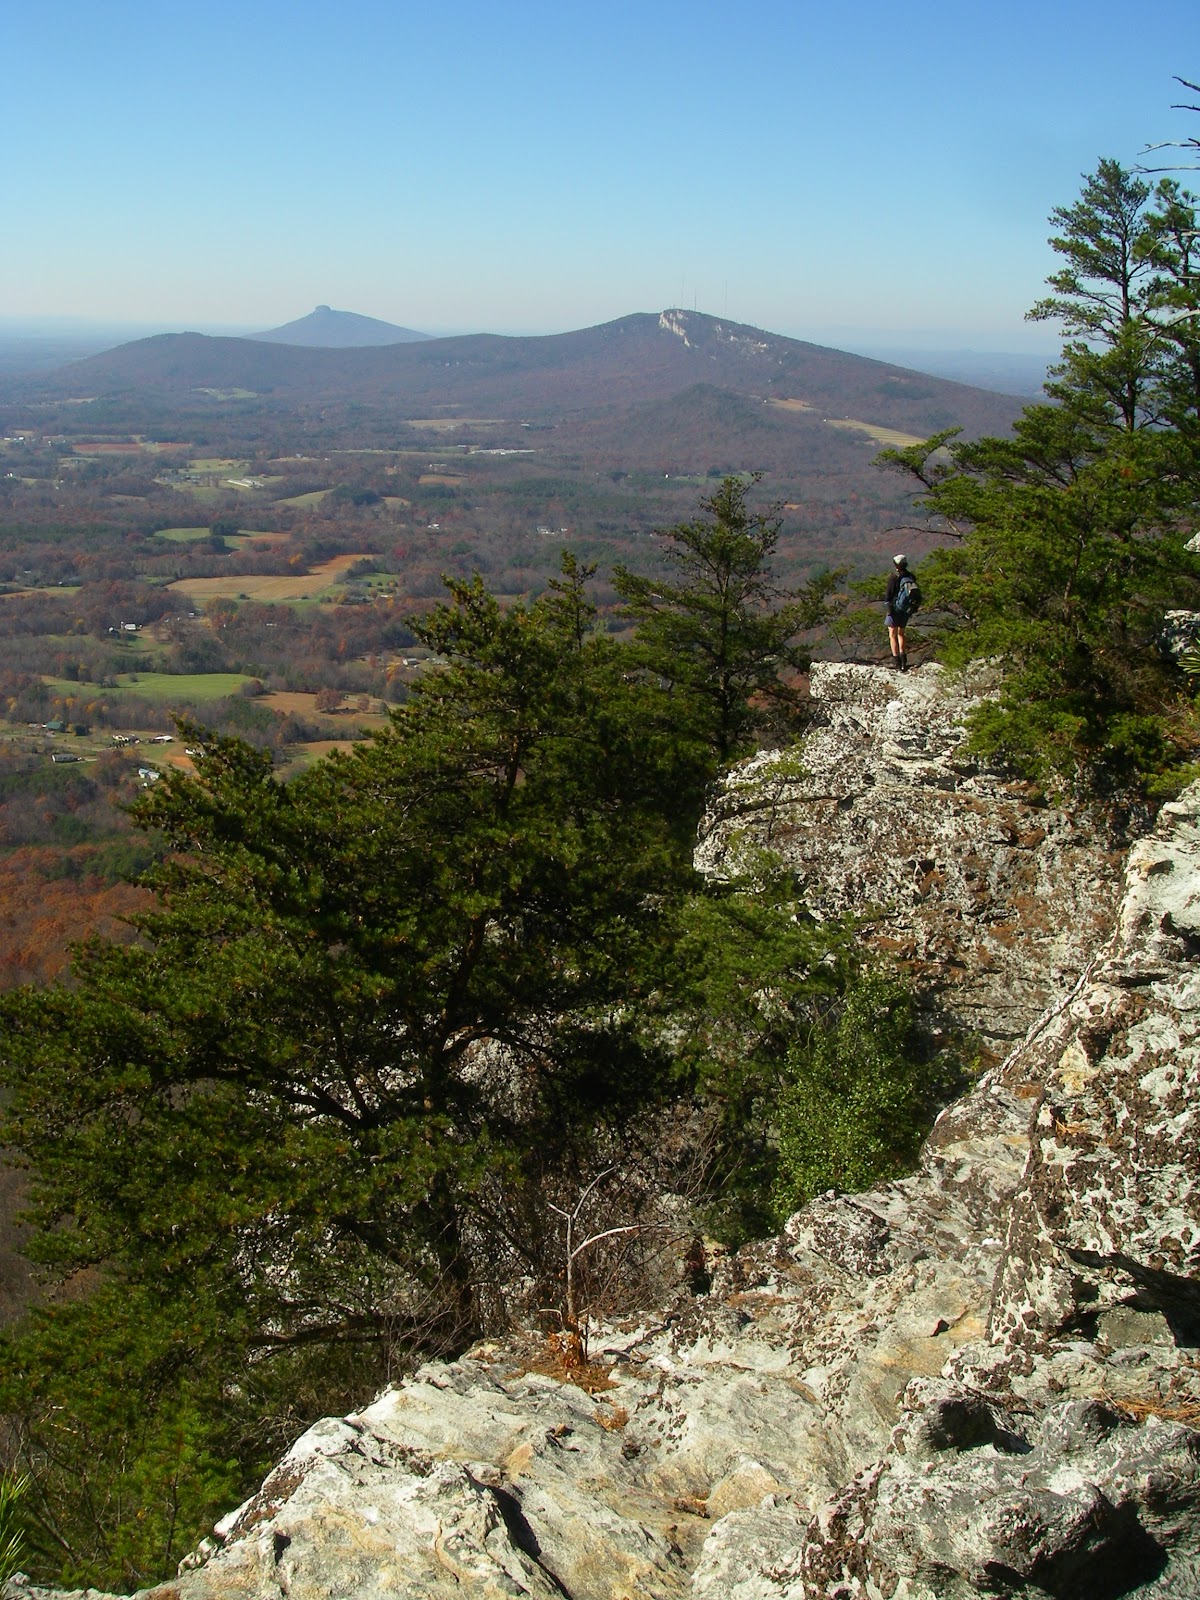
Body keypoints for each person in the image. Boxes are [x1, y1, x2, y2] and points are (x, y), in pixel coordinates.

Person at [885, 553, 914, 672]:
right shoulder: (911, 576)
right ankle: (904, 660)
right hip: (906, 609)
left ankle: (896, 661)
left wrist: (889, 609)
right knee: (901, 633)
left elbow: (888, 595)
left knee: (892, 634)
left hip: (895, 609)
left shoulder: (894, 577)